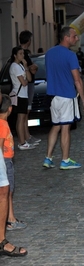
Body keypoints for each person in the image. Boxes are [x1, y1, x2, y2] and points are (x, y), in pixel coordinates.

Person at [42, 26, 84, 170]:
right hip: (67, 96)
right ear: (66, 37)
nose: (76, 38)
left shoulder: (49, 53)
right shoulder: (70, 55)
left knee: (55, 126)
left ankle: (48, 158)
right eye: (74, 36)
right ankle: (65, 160)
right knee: (65, 128)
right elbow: (77, 80)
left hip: (53, 96)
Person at [0, 94, 28, 257]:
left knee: (6, 192)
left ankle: (3, 235)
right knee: (7, 190)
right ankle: (10, 221)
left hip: (5, 160)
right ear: (10, 109)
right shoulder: (3, 124)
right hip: (5, 161)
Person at [9, 46, 34, 150]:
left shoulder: (21, 66)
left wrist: (26, 66)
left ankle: (24, 140)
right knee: (20, 119)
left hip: (23, 95)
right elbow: (24, 82)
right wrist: (26, 80)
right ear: (15, 55)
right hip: (19, 95)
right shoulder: (14, 66)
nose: (22, 55)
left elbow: (29, 78)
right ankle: (21, 142)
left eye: (23, 53)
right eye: (20, 53)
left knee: (23, 118)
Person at [19, 30, 41, 146]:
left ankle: (27, 135)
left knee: (26, 112)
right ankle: (25, 137)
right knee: (25, 112)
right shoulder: (22, 53)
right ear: (28, 40)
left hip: (29, 84)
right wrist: (33, 67)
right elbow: (31, 68)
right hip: (27, 85)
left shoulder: (24, 53)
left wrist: (34, 67)